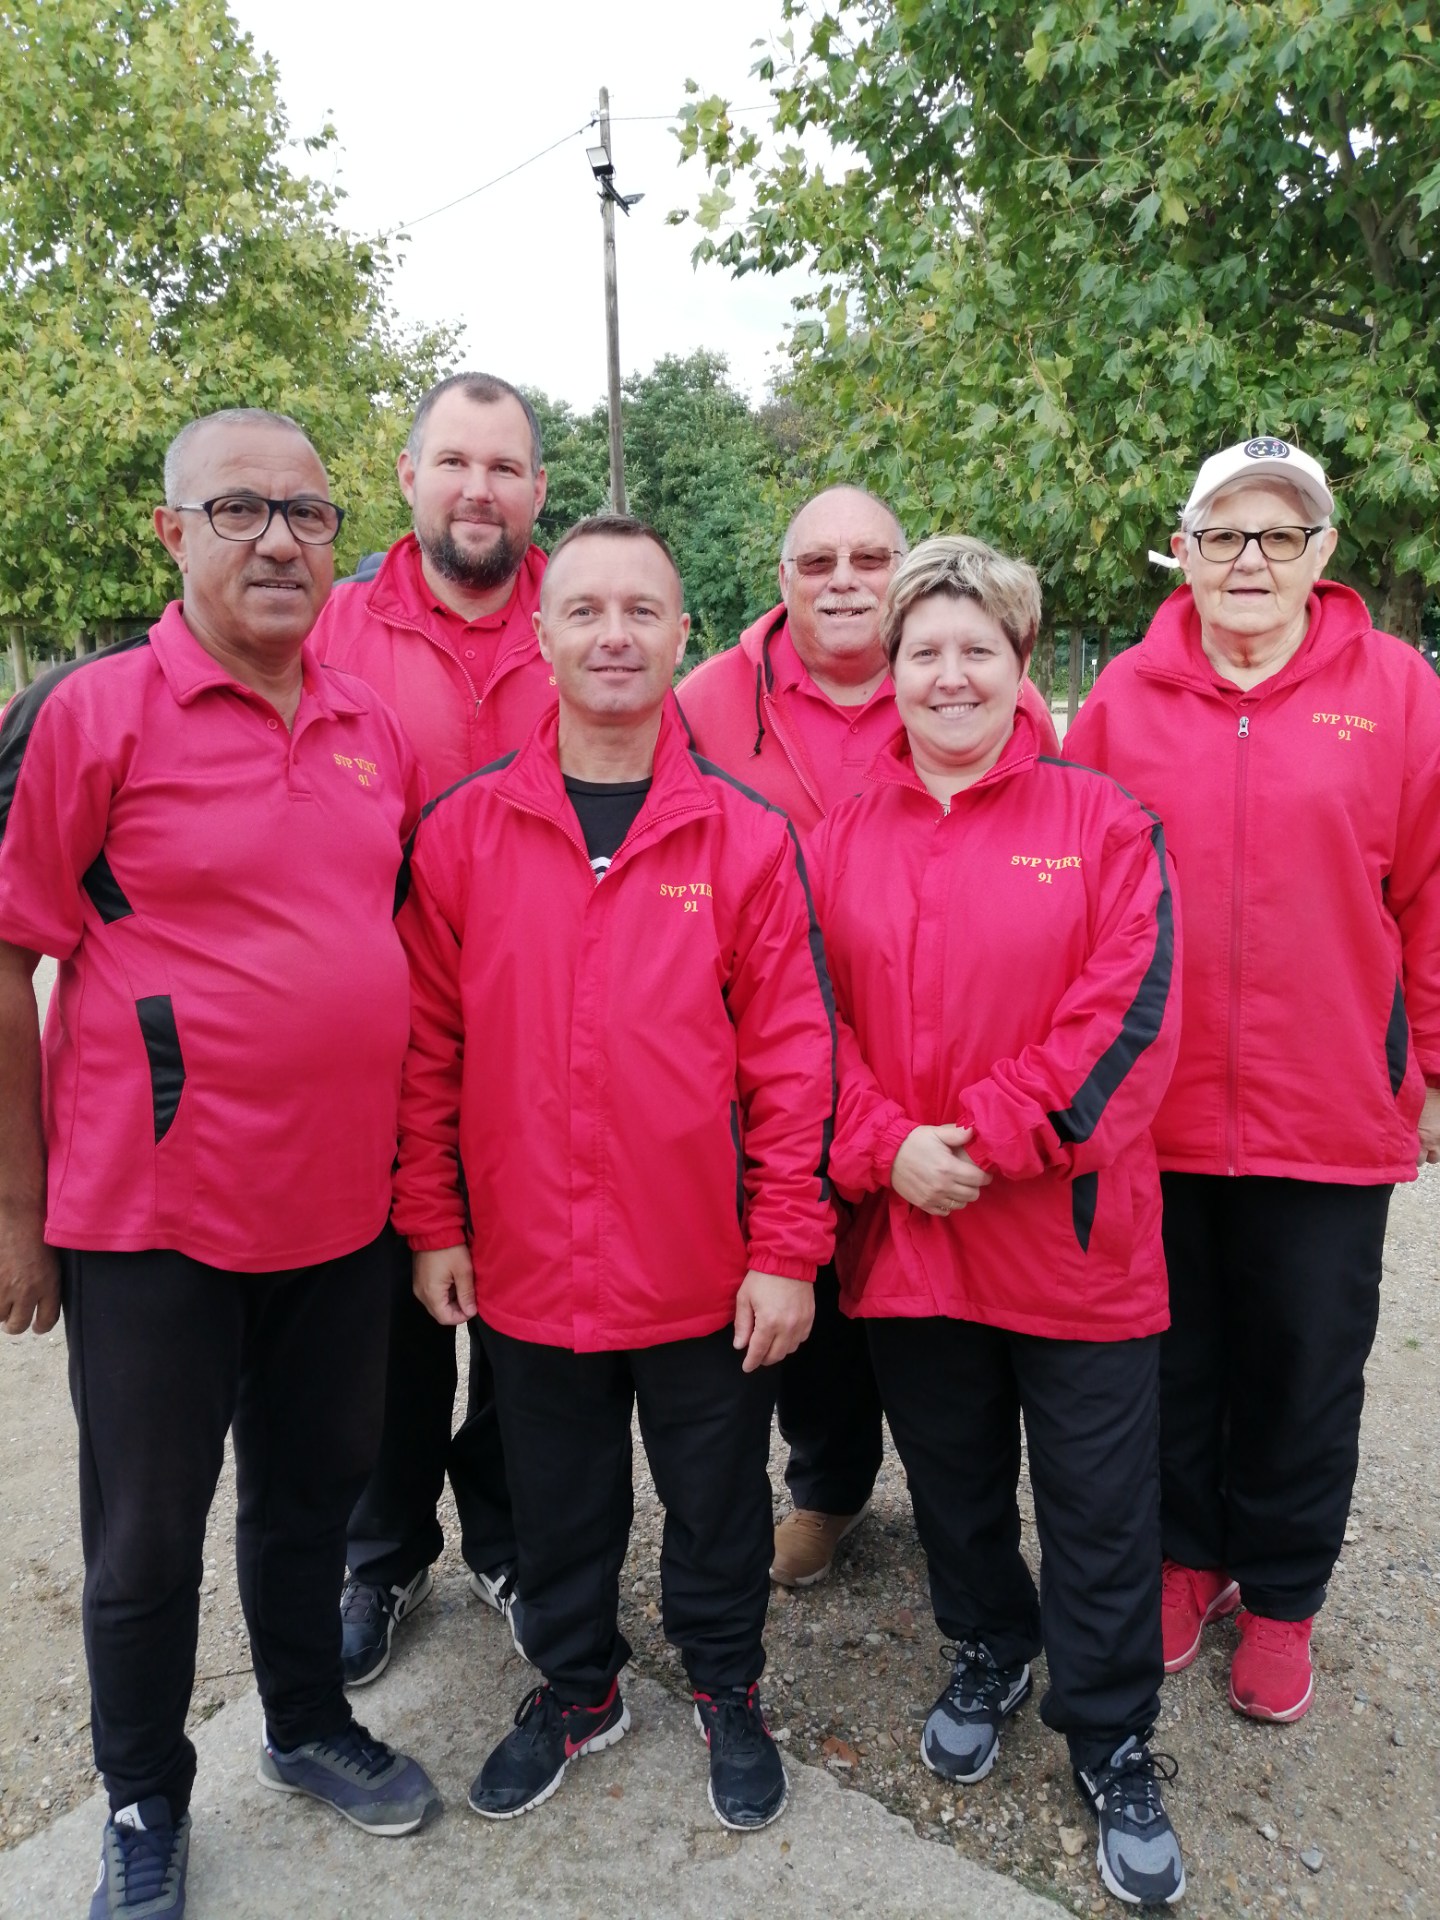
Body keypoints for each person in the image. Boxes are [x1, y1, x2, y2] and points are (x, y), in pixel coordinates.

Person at [0, 410, 441, 1920]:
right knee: (144, 1534)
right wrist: (17, 1212)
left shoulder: (370, 723)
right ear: (172, 533)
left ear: (337, 539)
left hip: (339, 1209)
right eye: (239, 509)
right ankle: (140, 1792)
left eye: (306, 513)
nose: (276, 539)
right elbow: (10, 963)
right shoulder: (92, 715)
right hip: (154, 1215)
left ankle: (306, 1725)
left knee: (312, 1499)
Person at [393, 515, 836, 1831]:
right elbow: (426, 1048)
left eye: (643, 610)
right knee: (558, 1504)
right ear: (542, 636)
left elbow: (796, 1063)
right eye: (585, 609)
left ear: (682, 635)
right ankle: (578, 1688)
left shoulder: (745, 841)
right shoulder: (464, 833)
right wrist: (432, 1222)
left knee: (717, 1507)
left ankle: (727, 1686)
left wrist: (786, 1251)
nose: (614, 634)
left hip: (703, 1266)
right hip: (530, 1263)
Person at [810, 535, 1185, 1908]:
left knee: (1097, 1509)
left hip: (1071, 1242)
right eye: (925, 652)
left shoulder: (1107, 824)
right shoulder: (838, 836)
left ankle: (1113, 1733)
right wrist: (882, 1149)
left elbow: (1130, 1021)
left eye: (978, 648)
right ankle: (987, 1645)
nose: (950, 673)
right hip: (913, 1236)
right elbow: (805, 1027)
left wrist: (986, 1135)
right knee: (956, 1487)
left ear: (1021, 665)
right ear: (891, 673)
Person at [1066, 436, 1440, 1725]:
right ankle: (1189, 1558)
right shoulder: (1121, 696)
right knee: (1170, 1354)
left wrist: (1429, 1064)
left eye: (1280, 535)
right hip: (1154, 1112)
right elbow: (1080, 896)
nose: (1250, 560)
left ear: (1322, 554)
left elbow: (1431, 894)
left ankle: (1282, 1594)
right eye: (1224, 533)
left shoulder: (1397, 691)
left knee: (1305, 1361)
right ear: (1184, 547)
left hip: (1328, 1106)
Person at [678, 486, 1060, 1589]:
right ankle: (828, 1484)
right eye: (817, 561)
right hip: (780, 1041)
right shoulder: (709, 703)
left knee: (938, 1279)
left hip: (938, 1037)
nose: (843, 579)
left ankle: (986, 1524)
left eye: (869, 558)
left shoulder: (975, 685)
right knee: (807, 1279)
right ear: (781, 578)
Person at [308, 372, 553, 1684]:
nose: (478, 488)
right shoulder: (331, 627)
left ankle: (509, 1540)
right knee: (386, 1327)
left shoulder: (587, 620)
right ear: (407, 478)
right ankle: (382, 1548)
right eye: (454, 462)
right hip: (374, 1040)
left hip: (543, 1040)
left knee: (526, 1325)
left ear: (537, 492)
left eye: (504, 466)